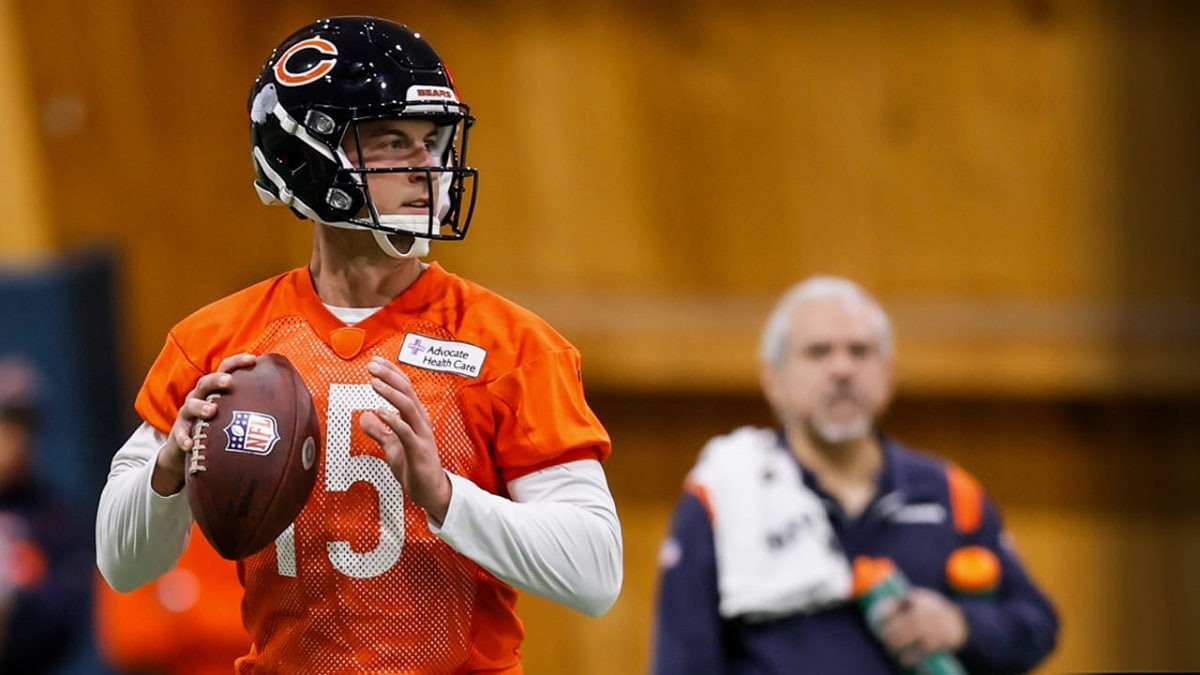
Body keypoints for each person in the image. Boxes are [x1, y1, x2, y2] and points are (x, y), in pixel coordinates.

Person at [95, 16, 622, 674]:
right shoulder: (216, 341)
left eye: (433, 142)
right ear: (305, 154)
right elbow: (123, 564)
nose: (427, 167)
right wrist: (170, 466)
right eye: (393, 142)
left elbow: (596, 572)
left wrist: (445, 495)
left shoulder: (513, 346)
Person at [650, 276, 1058, 674]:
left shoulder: (949, 494)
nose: (842, 369)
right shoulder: (724, 498)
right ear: (773, 380)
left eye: (860, 351)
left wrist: (962, 627)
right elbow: (681, 661)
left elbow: (1037, 625)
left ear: (888, 375)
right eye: (818, 352)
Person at [0, 356, 95, 674]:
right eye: (6, 427)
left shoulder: (53, 517)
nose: (15, 442)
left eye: (24, 429)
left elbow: (71, 612)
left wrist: (20, 607)